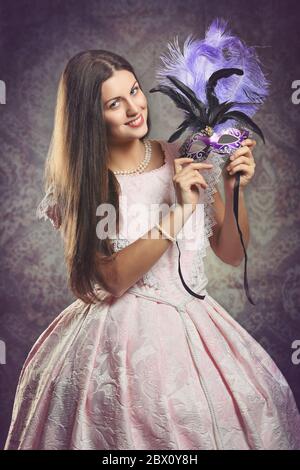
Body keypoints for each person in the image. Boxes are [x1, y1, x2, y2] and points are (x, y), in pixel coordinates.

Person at [4, 50, 300, 450]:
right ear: (89, 116)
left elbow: (231, 252)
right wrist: (179, 210)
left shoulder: (186, 155)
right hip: (110, 344)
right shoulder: (82, 183)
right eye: (114, 103)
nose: (133, 109)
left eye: (135, 91)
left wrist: (232, 188)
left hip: (196, 327)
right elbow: (112, 279)